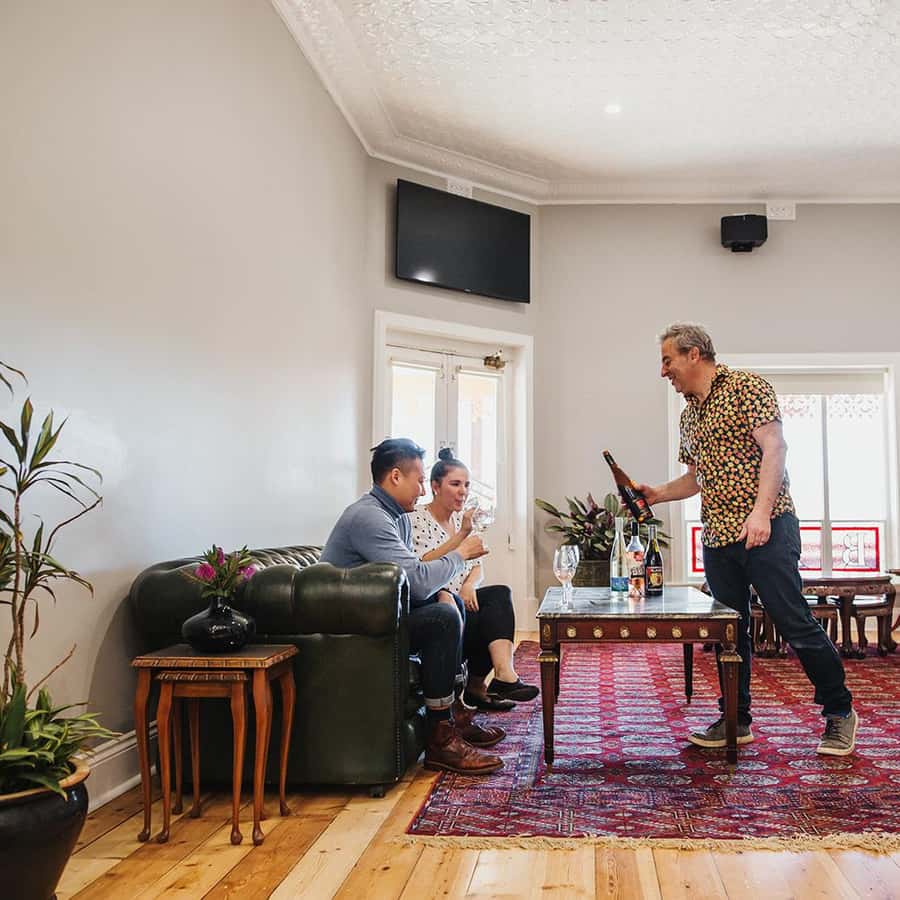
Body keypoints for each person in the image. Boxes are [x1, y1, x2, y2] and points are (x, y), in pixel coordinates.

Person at [635, 323, 857, 756]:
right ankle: (735, 719)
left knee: (793, 621)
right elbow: (696, 478)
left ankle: (839, 712)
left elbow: (775, 448)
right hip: (718, 538)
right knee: (730, 631)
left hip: (767, 529)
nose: (663, 371)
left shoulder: (747, 387)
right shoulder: (689, 413)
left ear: (694, 354)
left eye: (667, 360)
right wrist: (657, 493)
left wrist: (760, 514)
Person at [320, 438, 505, 775]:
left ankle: (453, 716)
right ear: (395, 476)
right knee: (443, 617)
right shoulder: (370, 518)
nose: (422, 490)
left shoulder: (397, 517)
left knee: (449, 604)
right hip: (352, 629)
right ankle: (440, 738)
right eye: (419, 480)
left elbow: (408, 579)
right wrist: (460, 554)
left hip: (378, 614)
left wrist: (442, 591)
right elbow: (417, 580)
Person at [409, 448, 539, 712]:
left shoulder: (461, 519)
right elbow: (423, 564)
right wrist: (461, 538)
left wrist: (470, 585)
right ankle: (477, 688)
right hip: (440, 606)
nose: (463, 491)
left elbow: (476, 565)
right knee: (482, 612)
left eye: (467, 485)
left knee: (498, 595)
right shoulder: (416, 518)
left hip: (463, 601)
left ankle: (501, 677)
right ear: (435, 486)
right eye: (455, 484)